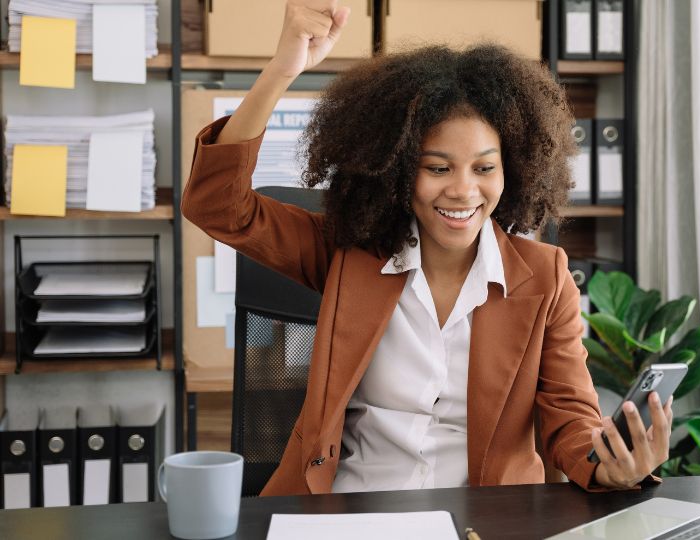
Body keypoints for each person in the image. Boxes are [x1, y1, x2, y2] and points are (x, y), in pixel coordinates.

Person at [181, 0, 673, 495]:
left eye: (484, 169)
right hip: (351, 510)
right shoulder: (349, 253)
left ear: (514, 170)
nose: (463, 192)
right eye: (437, 168)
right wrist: (283, 68)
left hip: (485, 521)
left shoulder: (545, 278)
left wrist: (609, 463)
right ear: (396, 170)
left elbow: (571, 419)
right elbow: (219, 207)